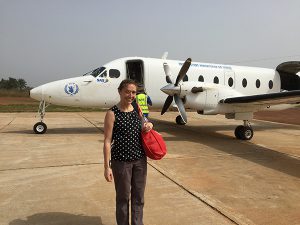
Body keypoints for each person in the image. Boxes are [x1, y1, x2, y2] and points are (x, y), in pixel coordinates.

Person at [103, 79, 153, 225]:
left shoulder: (138, 109)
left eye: (134, 92)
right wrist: (107, 167)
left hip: (140, 162)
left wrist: (149, 124)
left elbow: (146, 123)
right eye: (128, 92)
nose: (131, 95)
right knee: (123, 199)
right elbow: (107, 141)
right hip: (121, 163)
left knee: (139, 198)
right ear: (120, 91)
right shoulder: (112, 113)